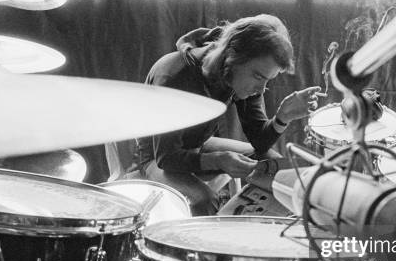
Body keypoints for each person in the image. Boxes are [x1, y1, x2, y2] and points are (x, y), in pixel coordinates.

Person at [136, 14, 320, 215]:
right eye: (258, 76)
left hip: (199, 144)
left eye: (268, 80)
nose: (261, 89)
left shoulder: (236, 72)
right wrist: (218, 159)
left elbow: (259, 141)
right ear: (231, 58)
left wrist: (282, 118)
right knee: (204, 201)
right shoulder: (173, 78)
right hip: (156, 157)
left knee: (275, 165)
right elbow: (166, 157)